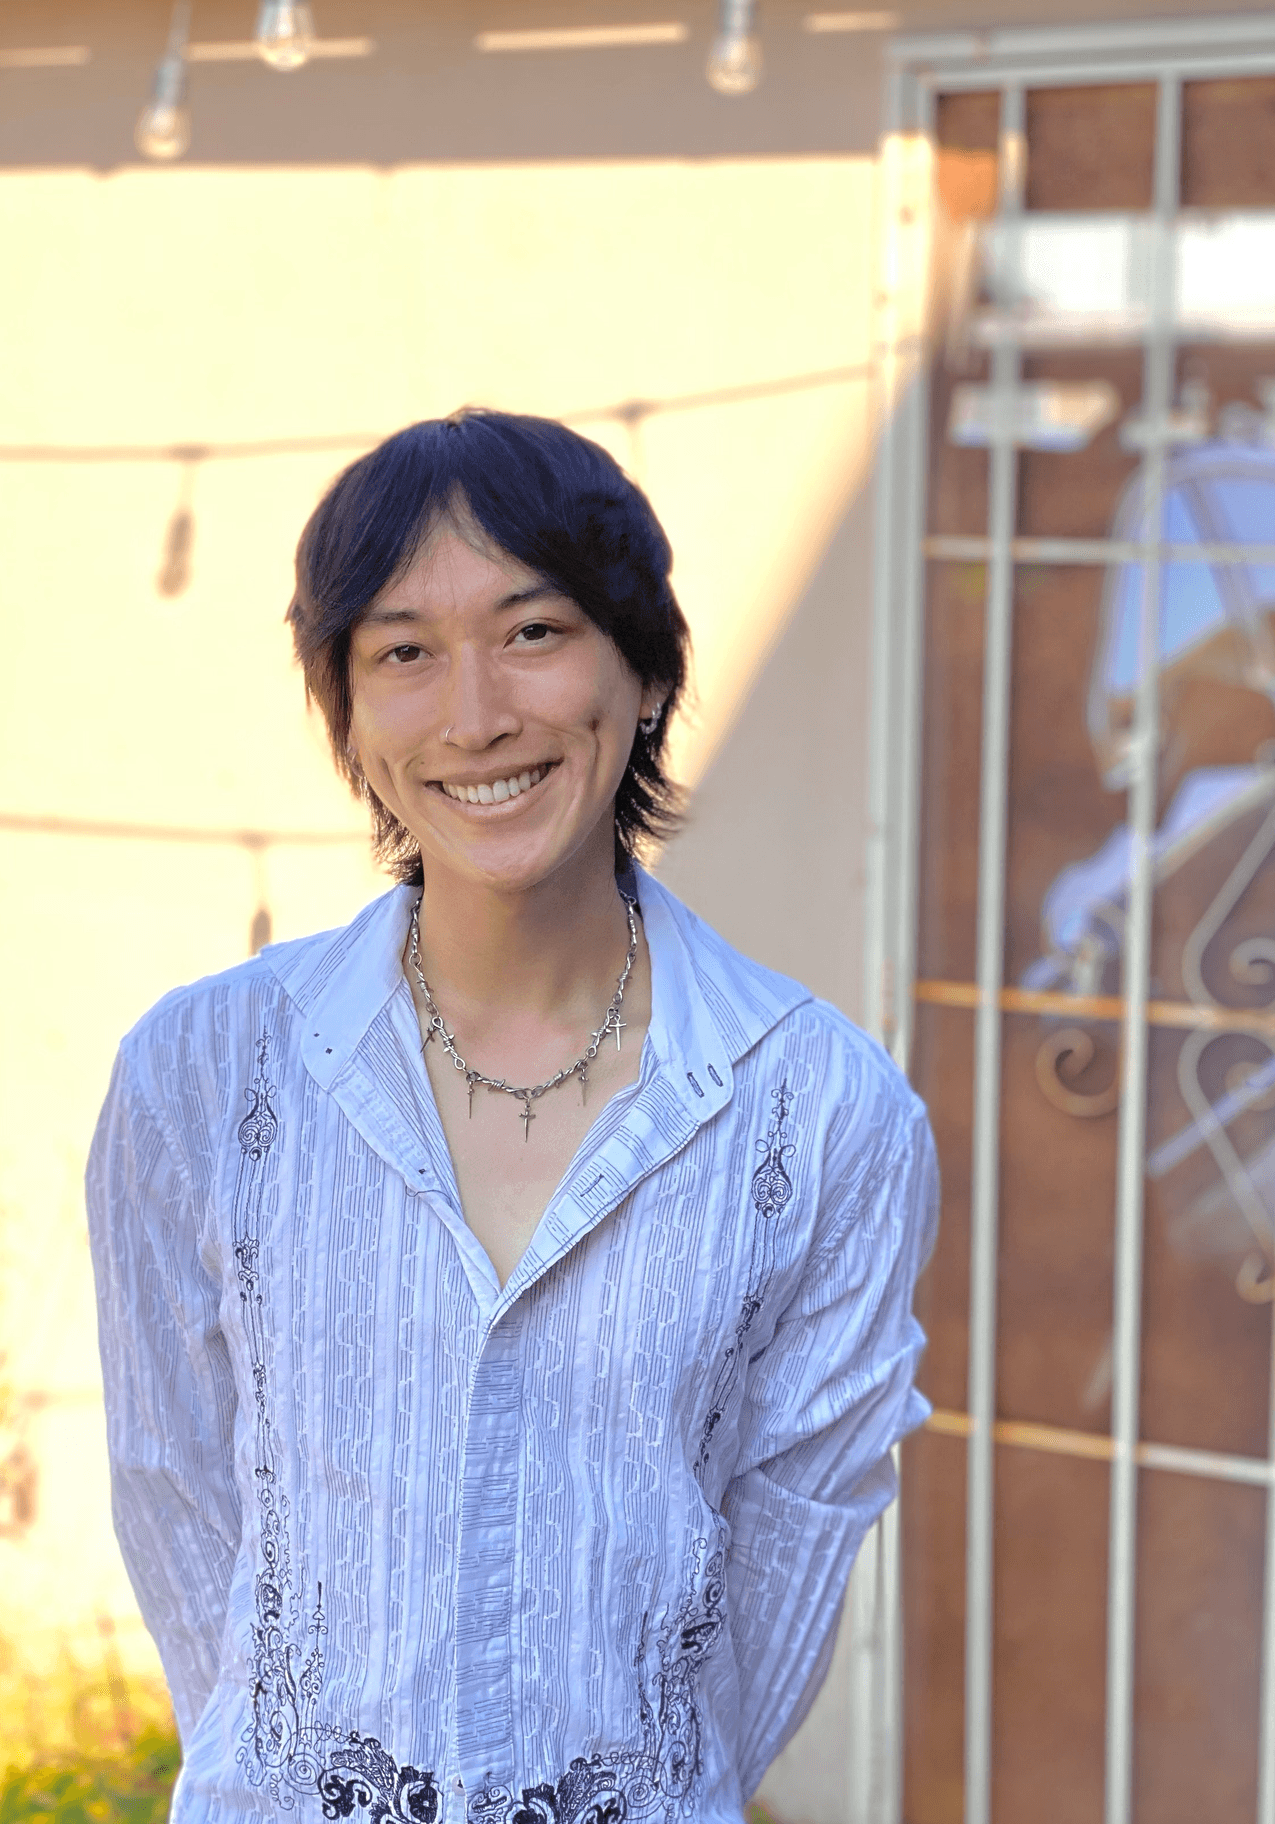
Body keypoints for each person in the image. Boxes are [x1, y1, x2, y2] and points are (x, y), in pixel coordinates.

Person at [87, 409, 938, 1824]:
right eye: (403, 652)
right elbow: (172, 1483)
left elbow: (788, 1547)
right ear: (348, 722)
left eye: (533, 632)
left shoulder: (824, 1116)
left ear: (647, 671)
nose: (474, 713)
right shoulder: (203, 1074)